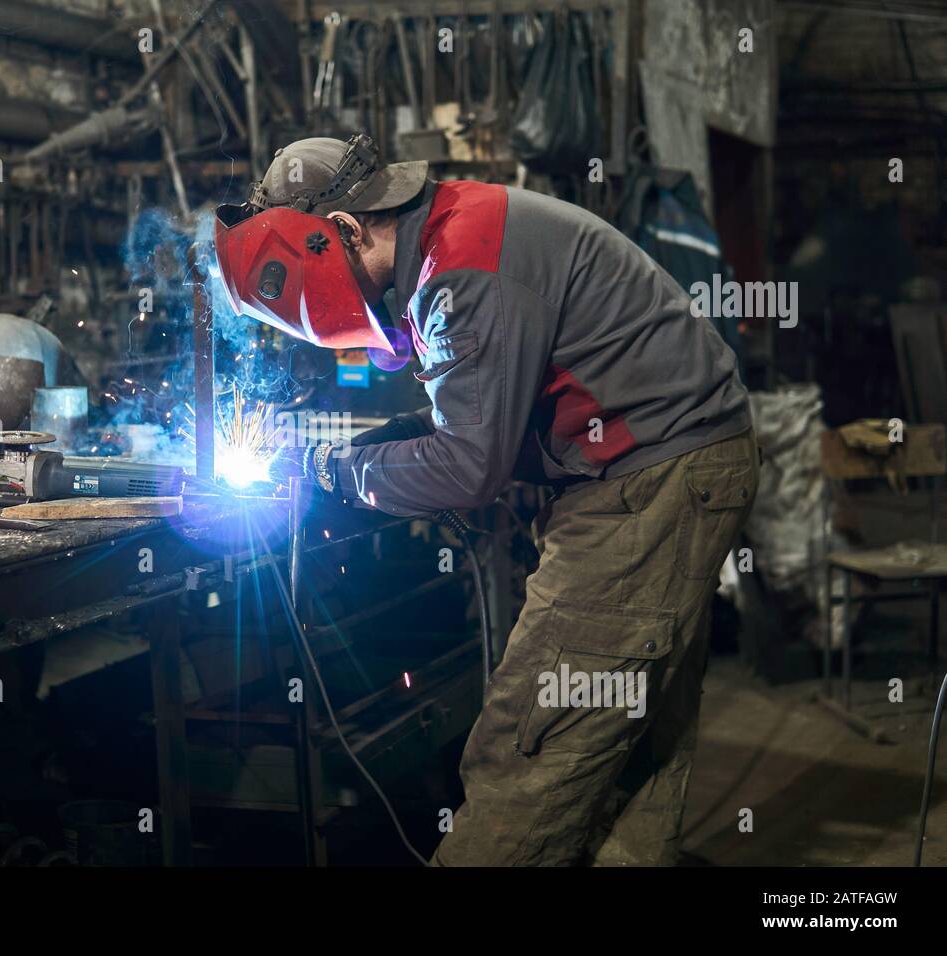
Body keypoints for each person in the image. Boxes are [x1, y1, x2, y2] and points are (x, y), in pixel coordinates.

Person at [214, 133, 758, 866]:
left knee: (528, 751)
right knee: (626, 741)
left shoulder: (460, 271)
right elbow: (469, 416)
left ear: (340, 230)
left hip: (648, 484)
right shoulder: (452, 230)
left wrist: (332, 474)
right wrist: (353, 454)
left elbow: (470, 468)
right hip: (675, 467)